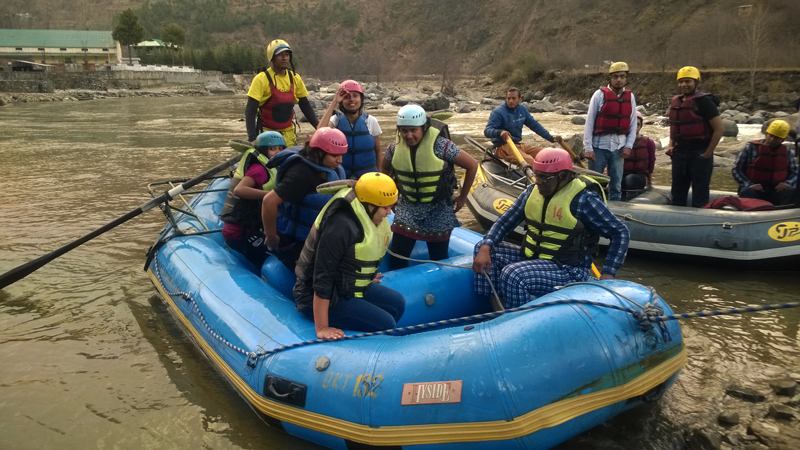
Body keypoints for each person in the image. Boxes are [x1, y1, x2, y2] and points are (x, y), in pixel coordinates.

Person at [472, 148, 629, 310]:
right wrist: (486, 246)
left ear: (562, 177)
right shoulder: (531, 192)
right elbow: (505, 222)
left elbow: (620, 232)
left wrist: (608, 273)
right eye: (536, 175)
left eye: (543, 178)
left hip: (568, 269)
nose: (537, 181)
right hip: (534, 258)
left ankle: (518, 319)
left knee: (513, 274)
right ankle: (498, 311)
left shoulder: (584, 200)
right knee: (482, 248)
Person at [293, 173, 405, 339]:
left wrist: (363, 275)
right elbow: (323, 277)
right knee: (386, 323)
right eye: (386, 208)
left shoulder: (366, 214)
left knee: (398, 303)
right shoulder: (340, 226)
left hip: (346, 285)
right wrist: (322, 327)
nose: (389, 212)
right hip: (316, 296)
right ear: (369, 204)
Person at [382, 104, 478, 269]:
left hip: (438, 207)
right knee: (398, 254)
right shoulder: (394, 147)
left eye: (414, 130)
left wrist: (463, 197)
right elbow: (384, 168)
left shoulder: (441, 145)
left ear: (424, 127)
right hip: (408, 206)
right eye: (404, 131)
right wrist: (388, 196)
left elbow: (472, 165)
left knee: (439, 257)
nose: (409, 135)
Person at [261, 127, 347, 272]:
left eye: (341, 155)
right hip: (295, 240)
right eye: (334, 155)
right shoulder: (300, 174)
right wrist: (271, 237)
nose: (340, 160)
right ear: (318, 153)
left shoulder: (331, 168)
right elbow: (268, 202)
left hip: (321, 236)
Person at [220, 131, 286, 268]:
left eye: (280, 149)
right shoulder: (259, 169)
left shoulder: (273, 167)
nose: (277, 152)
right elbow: (239, 190)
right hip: (239, 233)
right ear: (263, 150)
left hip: (252, 228)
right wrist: (270, 195)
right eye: (272, 149)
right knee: (278, 258)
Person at [665, 66, 724, 207]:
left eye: (688, 81)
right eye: (681, 82)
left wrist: (707, 153)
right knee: (677, 193)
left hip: (699, 152)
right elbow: (675, 128)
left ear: (696, 82)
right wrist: (671, 145)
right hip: (680, 153)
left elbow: (719, 129)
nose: (683, 85)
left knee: (700, 194)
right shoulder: (676, 101)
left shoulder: (704, 101)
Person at [245, 39, 319, 147]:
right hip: (267, 136)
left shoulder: (295, 78)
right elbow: (250, 110)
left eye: (287, 54)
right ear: (272, 57)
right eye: (280, 55)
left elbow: (305, 105)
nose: (284, 58)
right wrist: (252, 138)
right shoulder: (261, 79)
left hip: (289, 136)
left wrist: (318, 127)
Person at [583, 62, 638, 202]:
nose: (619, 80)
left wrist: (628, 146)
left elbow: (632, 124)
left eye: (622, 76)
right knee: (593, 184)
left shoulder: (630, 97)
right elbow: (589, 122)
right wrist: (588, 147)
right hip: (598, 147)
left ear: (626, 78)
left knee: (616, 186)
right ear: (610, 78)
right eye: (615, 76)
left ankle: (615, 210)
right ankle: (592, 206)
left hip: (619, 148)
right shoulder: (599, 95)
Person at [319, 79, 383, 179]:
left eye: (355, 96)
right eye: (346, 97)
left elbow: (378, 151)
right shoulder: (336, 120)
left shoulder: (371, 121)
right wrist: (335, 101)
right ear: (342, 101)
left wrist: (380, 175)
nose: (351, 100)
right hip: (342, 176)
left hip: (367, 177)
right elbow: (320, 132)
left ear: (361, 99)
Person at [484, 87, 562, 166]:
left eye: (513, 98)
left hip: (518, 145)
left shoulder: (522, 109)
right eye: (508, 98)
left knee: (548, 154)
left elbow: (535, 125)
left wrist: (551, 138)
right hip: (502, 147)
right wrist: (500, 132)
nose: (510, 101)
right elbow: (487, 131)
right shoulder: (498, 112)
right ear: (506, 98)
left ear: (519, 99)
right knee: (529, 160)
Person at [731, 119, 797, 206]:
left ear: (783, 139)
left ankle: (785, 212)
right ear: (766, 134)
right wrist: (748, 184)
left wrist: (787, 183)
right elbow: (736, 169)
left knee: (791, 191)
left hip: (776, 190)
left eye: (777, 138)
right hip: (755, 189)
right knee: (747, 191)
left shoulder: (787, 151)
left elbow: (794, 172)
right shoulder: (751, 147)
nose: (772, 139)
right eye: (771, 136)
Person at [621, 111, 657, 200]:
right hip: (622, 176)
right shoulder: (620, 142)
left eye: (637, 124)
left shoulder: (649, 143)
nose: (634, 127)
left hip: (639, 177)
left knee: (630, 178)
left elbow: (651, 162)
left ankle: (631, 199)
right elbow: (612, 162)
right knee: (620, 180)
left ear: (641, 126)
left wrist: (650, 182)